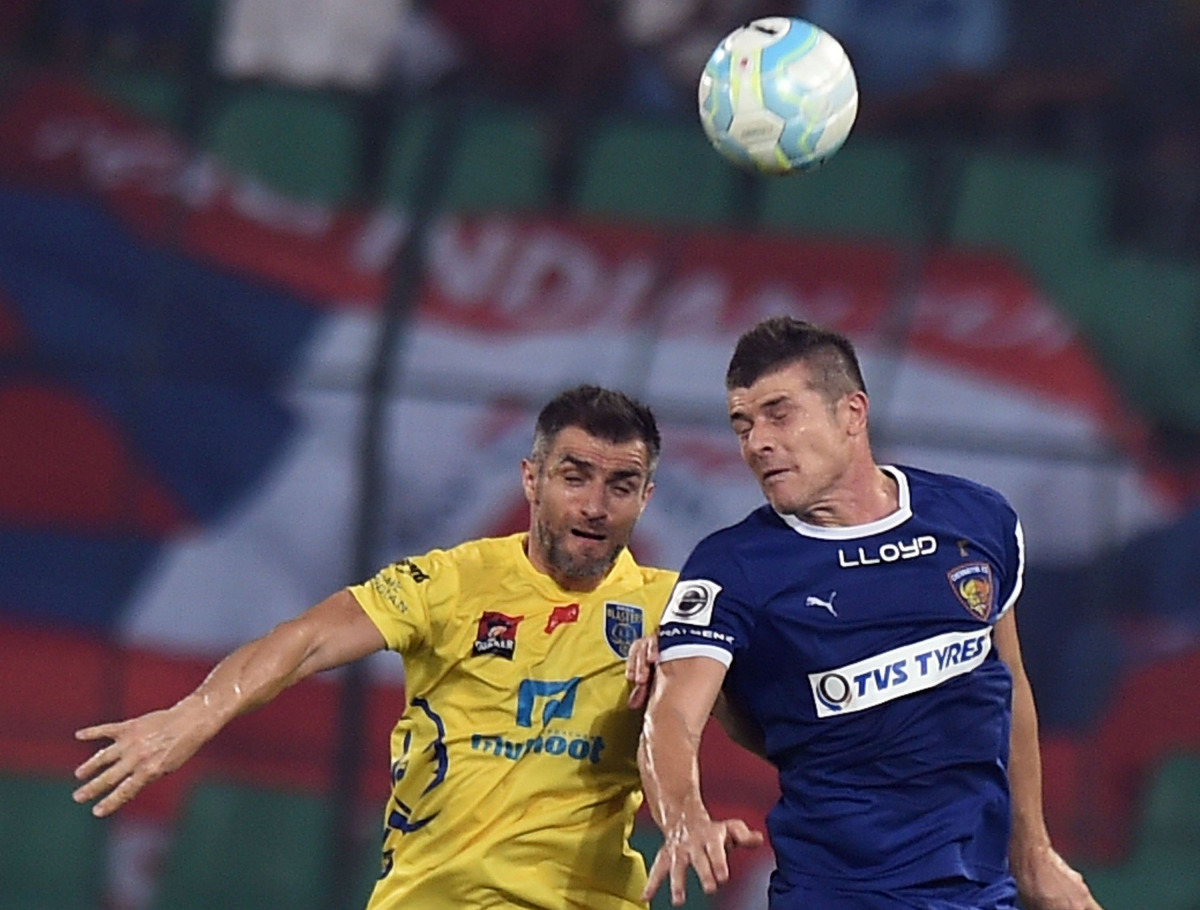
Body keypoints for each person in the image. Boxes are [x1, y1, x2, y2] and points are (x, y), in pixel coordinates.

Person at [72, 384, 679, 910]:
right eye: (575, 478)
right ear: (532, 479)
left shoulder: (673, 606)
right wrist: (197, 712)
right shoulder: (450, 581)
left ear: (645, 498)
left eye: (620, 486)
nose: (595, 507)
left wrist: (694, 805)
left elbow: (741, 701)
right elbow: (307, 639)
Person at [635, 317, 1102, 910]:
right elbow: (670, 716)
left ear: (852, 414)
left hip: (982, 893)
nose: (757, 442)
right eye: (742, 425)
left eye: (780, 413)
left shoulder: (977, 520)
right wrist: (683, 817)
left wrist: (1034, 855)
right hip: (838, 894)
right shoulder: (733, 567)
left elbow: (1006, 684)